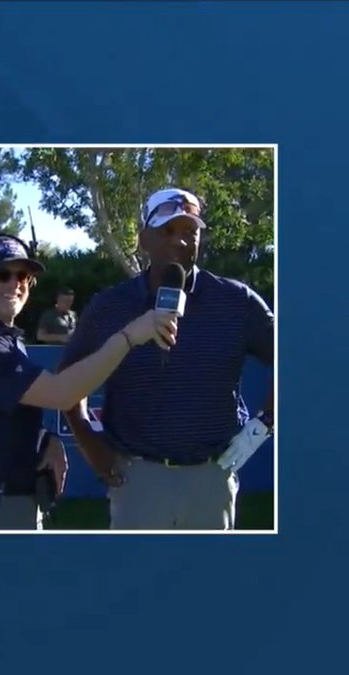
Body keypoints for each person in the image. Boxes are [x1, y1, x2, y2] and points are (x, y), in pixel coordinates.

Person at [59, 188, 274, 530]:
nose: (182, 241)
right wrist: (90, 446)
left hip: (212, 479)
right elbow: (67, 382)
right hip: (136, 480)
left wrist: (264, 425)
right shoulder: (109, 306)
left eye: (191, 231)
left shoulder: (237, 302)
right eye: (168, 230)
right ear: (144, 238)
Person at [0, 233, 177, 530]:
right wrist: (129, 337)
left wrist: (45, 439)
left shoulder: (6, 340)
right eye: (3, 274)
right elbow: (62, 394)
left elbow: (5, 414)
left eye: (23, 275)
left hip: (12, 503)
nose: (16, 284)